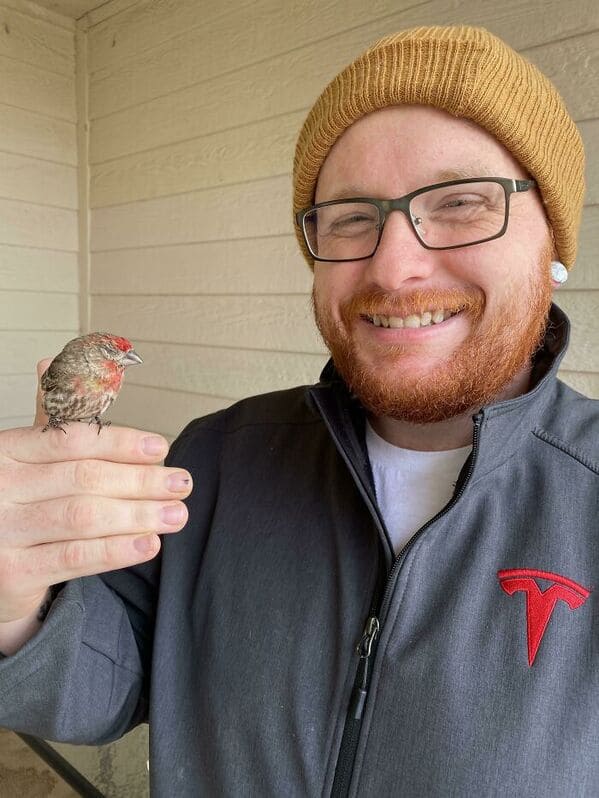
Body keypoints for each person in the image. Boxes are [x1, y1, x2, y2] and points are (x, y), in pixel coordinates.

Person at [0, 24, 597, 797]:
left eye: (460, 203)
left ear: (553, 236)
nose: (393, 265)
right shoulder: (214, 459)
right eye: (349, 217)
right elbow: (105, 682)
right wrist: (15, 602)